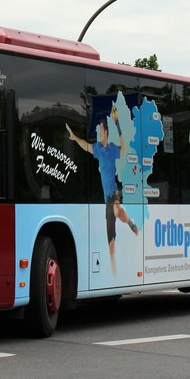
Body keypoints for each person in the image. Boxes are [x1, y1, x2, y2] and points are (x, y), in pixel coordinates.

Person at [67, 104, 138, 276]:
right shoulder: (98, 148)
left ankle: (129, 223)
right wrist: (75, 138)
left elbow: (124, 149)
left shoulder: (112, 148)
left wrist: (118, 124)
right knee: (111, 244)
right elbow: (86, 146)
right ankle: (114, 273)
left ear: (106, 132)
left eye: (100, 130)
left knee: (116, 208)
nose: (99, 133)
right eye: (98, 130)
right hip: (107, 199)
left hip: (114, 193)